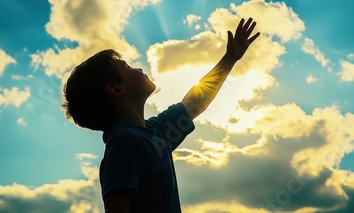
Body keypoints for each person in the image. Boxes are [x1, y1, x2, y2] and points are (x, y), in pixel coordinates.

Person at [61, 17, 260, 212]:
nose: (137, 67)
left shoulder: (156, 132)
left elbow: (194, 103)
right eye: (128, 67)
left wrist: (229, 59)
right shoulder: (124, 142)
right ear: (116, 89)